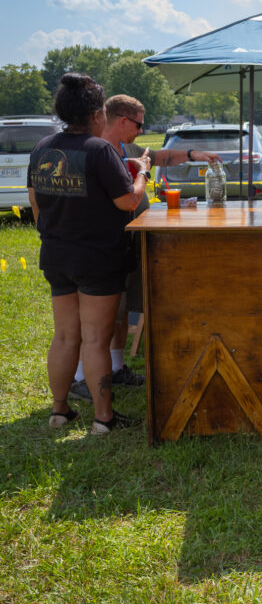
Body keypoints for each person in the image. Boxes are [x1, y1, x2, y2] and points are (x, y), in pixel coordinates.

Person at [67, 95, 220, 402]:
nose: (141, 130)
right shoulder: (98, 150)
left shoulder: (127, 148)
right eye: (138, 124)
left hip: (128, 243)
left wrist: (193, 154)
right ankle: (81, 377)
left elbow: (160, 157)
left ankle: (117, 367)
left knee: (121, 311)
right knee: (99, 317)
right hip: (103, 246)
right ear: (122, 120)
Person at [27, 74, 144, 434]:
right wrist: (142, 173)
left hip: (57, 255)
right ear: (96, 114)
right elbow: (128, 200)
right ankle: (103, 417)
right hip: (97, 258)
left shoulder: (43, 146)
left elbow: (35, 205)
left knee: (65, 336)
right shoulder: (99, 150)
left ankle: (59, 411)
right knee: (95, 339)